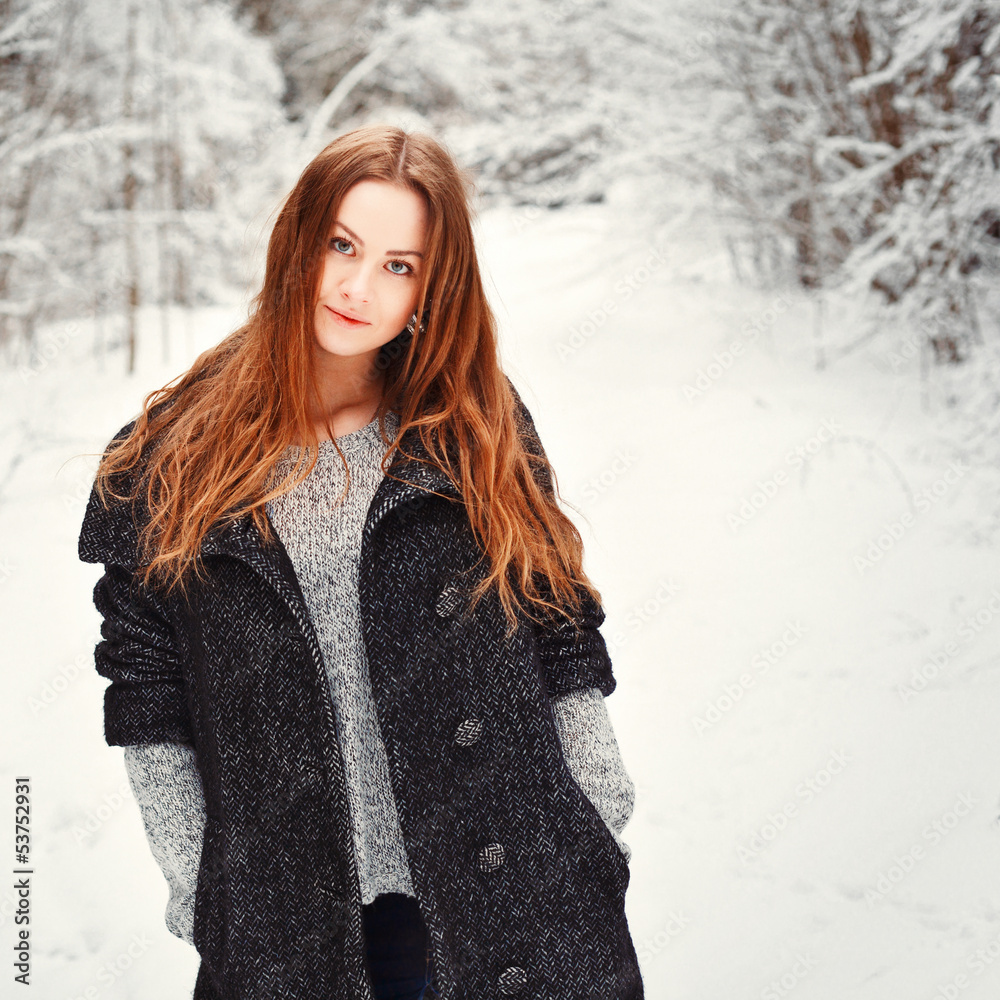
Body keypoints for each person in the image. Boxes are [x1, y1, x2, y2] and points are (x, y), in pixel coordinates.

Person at [78, 123, 643, 1000]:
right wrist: (200, 887)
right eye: (341, 243)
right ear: (296, 239)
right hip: (295, 925)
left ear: (429, 289)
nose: (355, 285)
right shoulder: (169, 460)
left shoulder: (470, 425)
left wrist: (597, 818)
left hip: (508, 891)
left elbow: (555, 615)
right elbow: (148, 695)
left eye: (398, 264)